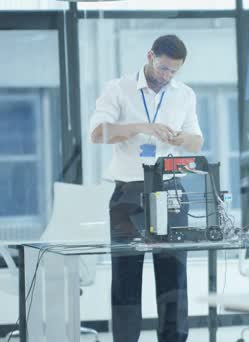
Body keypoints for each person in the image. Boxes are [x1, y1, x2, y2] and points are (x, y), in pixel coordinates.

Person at [89, 34, 203, 342]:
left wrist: (180, 139)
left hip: (170, 192)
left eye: (173, 72)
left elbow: (196, 141)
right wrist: (142, 126)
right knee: (125, 278)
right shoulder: (118, 89)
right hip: (129, 193)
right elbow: (98, 134)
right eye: (164, 68)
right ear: (150, 55)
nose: (167, 77)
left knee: (173, 279)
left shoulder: (184, 95)